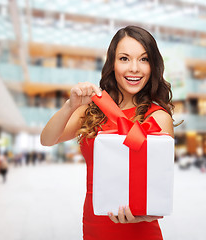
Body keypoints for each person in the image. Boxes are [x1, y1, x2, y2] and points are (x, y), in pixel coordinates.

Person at [41, 26, 174, 240]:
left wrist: (146, 216)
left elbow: (159, 188)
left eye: (144, 59)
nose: (134, 68)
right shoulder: (92, 109)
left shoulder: (158, 118)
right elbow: (47, 139)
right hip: (95, 226)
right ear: (112, 63)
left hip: (140, 231)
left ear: (153, 66)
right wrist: (70, 105)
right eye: (124, 59)